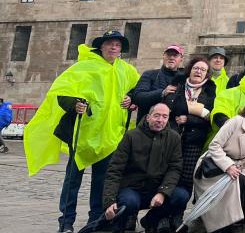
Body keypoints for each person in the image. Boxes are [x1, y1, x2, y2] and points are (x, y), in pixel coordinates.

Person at [23, 30, 139, 233]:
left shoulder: (127, 71)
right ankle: (66, 221)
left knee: (101, 182)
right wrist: (75, 104)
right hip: (83, 134)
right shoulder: (84, 67)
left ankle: (95, 220)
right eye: (110, 44)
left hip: (109, 136)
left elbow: (137, 90)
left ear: (121, 50)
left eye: (117, 45)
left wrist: (132, 99)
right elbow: (62, 93)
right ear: (101, 47)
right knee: (72, 181)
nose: (113, 47)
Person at [102, 103, 189, 233]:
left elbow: (175, 168)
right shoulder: (131, 136)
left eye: (165, 117)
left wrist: (162, 192)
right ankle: (124, 221)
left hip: (157, 188)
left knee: (181, 196)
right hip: (132, 188)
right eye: (157, 116)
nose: (160, 120)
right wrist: (109, 201)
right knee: (128, 202)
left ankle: (151, 219)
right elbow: (115, 169)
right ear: (148, 117)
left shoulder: (174, 138)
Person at [194, 92, 245, 233]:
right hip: (212, 166)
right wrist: (228, 166)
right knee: (236, 191)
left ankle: (234, 225)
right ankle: (224, 226)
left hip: (236, 172)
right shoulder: (236, 121)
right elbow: (214, 146)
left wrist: (244, 178)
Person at [164, 56, 216, 193]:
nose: (198, 71)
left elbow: (209, 117)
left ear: (206, 74)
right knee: (166, 175)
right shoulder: (178, 83)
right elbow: (169, 104)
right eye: (196, 68)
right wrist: (198, 110)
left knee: (186, 179)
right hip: (172, 136)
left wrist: (189, 119)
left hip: (194, 140)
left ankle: (177, 213)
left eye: (203, 70)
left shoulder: (210, 89)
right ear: (190, 70)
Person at [130, 45, 185, 123]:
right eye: (169, 54)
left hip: (172, 129)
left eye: (175, 55)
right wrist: (162, 92)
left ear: (181, 59)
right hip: (147, 127)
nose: (172, 58)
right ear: (163, 56)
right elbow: (138, 97)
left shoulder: (184, 80)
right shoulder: (149, 74)